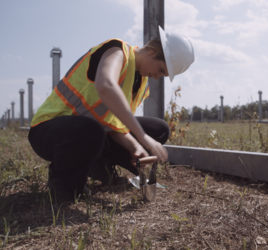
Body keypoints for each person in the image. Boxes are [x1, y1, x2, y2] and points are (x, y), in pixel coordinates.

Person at [28, 27, 195, 199]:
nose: (158, 77)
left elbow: (115, 125)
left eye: (164, 75)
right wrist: (142, 137)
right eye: (161, 69)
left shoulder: (141, 84)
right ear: (152, 52)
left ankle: (99, 166)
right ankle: (62, 181)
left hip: (89, 133)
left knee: (159, 129)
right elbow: (105, 85)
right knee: (93, 131)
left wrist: (135, 146)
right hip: (48, 131)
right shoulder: (117, 51)